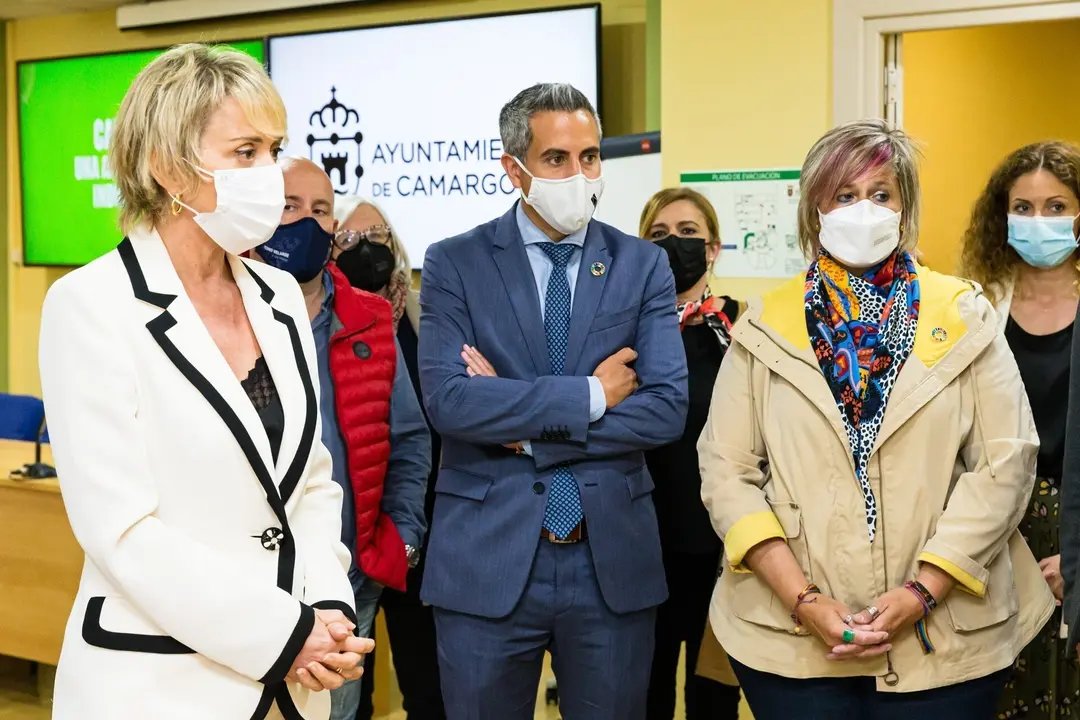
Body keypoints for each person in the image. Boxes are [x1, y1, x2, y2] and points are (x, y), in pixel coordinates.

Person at [37, 44, 373, 720]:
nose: (270, 174)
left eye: (273, 150)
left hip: (294, 688)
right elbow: (123, 530)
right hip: (158, 688)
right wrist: (285, 635)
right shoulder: (90, 305)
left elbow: (309, 480)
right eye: (245, 152)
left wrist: (328, 607)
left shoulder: (278, 296)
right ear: (167, 168)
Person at [698, 118, 1055, 719]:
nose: (863, 210)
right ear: (815, 209)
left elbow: (1007, 461)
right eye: (844, 195)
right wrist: (803, 600)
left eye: (881, 194)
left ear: (904, 207)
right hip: (791, 646)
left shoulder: (965, 315)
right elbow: (726, 472)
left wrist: (924, 589)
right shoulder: (762, 327)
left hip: (946, 640)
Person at [418, 82, 688, 718]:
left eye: (590, 157)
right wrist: (594, 394)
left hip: (609, 562)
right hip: (486, 558)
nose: (579, 174)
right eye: (557, 160)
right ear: (515, 169)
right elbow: (450, 402)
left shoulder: (642, 265)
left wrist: (523, 427)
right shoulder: (455, 262)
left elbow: (665, 408)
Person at [251, 158, 431, 720]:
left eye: (320, 210)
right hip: (250, 575)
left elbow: (409, 439)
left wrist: (401, 538)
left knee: (337, 713)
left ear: (333, 229)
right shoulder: (224, 311)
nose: (306, 221)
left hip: (350, 572)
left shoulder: (372, 317)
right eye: (290, 207)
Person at [967, 142, 1080, 718]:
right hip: (995, 530)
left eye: (1058, 206)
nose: (1041, 221)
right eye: (1025, 207)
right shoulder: (976, 307)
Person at [334, 195, 447, 720]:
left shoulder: (429, 316)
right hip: (349, 531)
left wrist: (410, 533)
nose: (367, 250)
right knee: (350, 689)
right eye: (351, 240)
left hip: (416, 524)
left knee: (425, 677)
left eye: (377, 237)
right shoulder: (318, 318)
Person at [638, 188, 743, 720]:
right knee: (644, 693)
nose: (672, 244)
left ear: (713, 249)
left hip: (721, 548)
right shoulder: (625, 332)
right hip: (640, 545)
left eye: (686, 233)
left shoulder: (741, 330)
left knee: (713, 699)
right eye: (658, 235)